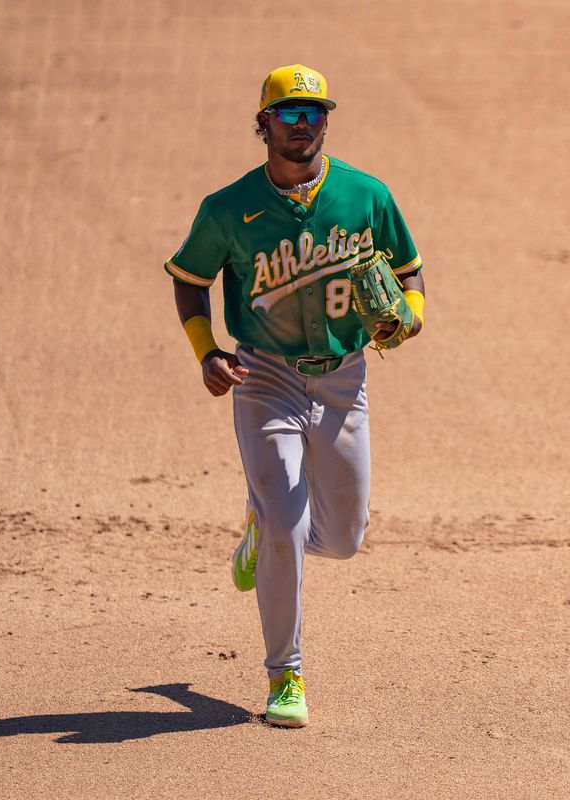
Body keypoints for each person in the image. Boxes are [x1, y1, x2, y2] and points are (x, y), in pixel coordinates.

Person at [165, 64, 426, 728]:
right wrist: (207, 353)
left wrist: (413, 313)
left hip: (343, 378)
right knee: (287, 525)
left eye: (315, 113)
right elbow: (190, 280)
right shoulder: (228, 209)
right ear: (265, 124)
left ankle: (263, 529)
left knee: (341, 540)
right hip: (265, 380)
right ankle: (286, 675)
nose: (304, 125)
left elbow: (409, 268)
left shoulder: (366, 196)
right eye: (290, 114)